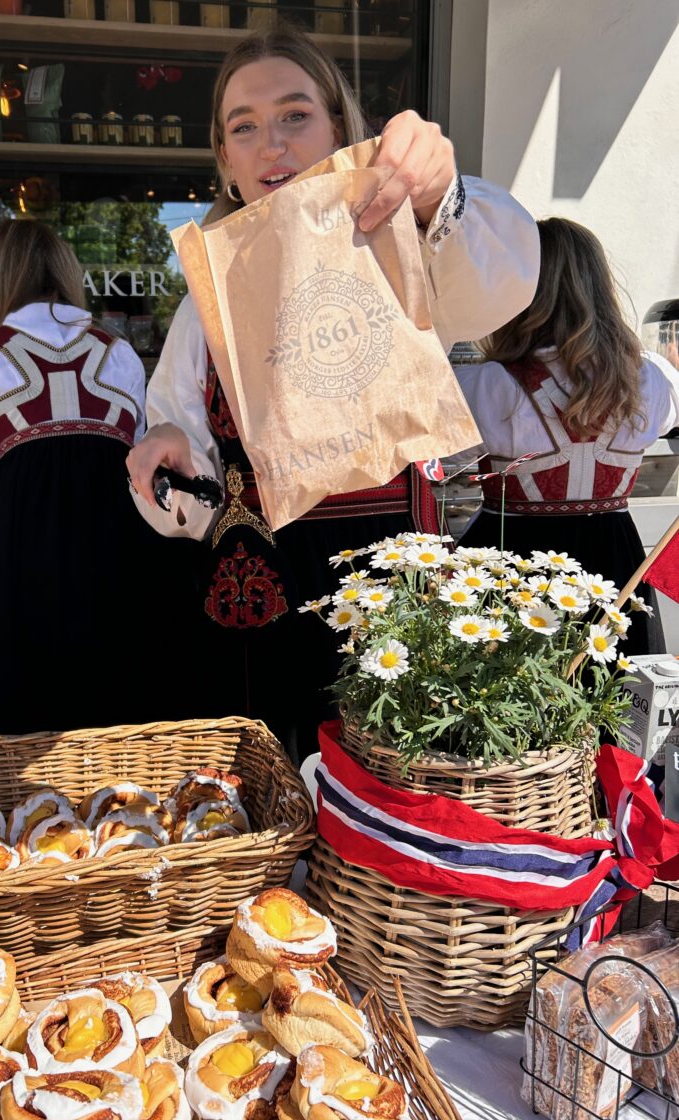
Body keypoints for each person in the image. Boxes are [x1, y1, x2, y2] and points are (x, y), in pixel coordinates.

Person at [125, 28, 540, 758]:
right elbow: (182, 441)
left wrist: (437, 190)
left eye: (294, 115)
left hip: (387, 589)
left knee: (387, 785)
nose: (270, 144)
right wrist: (165, 451)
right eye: (243, 127)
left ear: (340, 130)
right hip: (256, 600)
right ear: (224, 159)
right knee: (270, 798)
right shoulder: (208, 293)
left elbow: (494, 294)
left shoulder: (393, 238)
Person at [0, 219, 181, 736]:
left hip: (14, 550)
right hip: (118, 543)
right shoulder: (119, 355)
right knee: (124, 689)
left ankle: (17, 810)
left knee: (14, 699)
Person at [455, 217, 679, 658]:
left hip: (511, 559)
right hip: (615, 557)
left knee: (504, 705)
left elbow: (439, 455)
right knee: (609, 700)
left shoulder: (486, 385)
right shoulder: (650, 378)